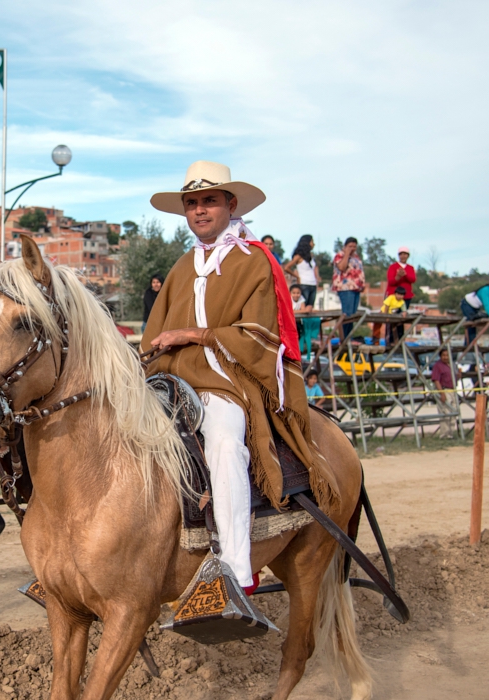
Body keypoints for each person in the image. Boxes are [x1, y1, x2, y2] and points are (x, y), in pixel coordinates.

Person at [144, 161, 336, 594]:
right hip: (169, 380)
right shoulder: (180, 267)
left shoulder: (254, 262)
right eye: (191, 203)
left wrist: (194, 335)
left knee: (226, 444)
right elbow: (154, 336)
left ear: (230, 205)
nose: (199, 210)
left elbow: (258, 335)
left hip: (225, 379)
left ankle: (235, 570)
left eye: (208, 201)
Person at [332, 237, 366, 340]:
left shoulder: (357, 257)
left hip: (356, 288)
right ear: (345, 246)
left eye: (354, 246)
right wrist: (346, 254)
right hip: (345, 288)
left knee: (353, 315)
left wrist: (362, 284)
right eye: (350, 246)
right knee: (347, 314)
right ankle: (344, 338)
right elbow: (342, 267)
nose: (352, 248)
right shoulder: (339, 256)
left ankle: (349, 337)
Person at [430, 348, 457, 439]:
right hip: (444, 390)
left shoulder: (452, 365)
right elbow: (436, 380)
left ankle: (451, 434)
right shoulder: (438, 366)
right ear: (440, 356)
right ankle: (444, 434)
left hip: (453, 390)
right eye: (443, 355)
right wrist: (442, 393)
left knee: (453, 412)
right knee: (445, 412)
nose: (445, 357)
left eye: (447, 355)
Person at [284, 235, 318, 307]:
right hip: (304, 283)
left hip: (313, 284)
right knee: (303, 307)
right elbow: (286, 267)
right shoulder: (299, 256)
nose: (313, 243)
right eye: (312, 241)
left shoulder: (310, 256)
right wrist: (297, 277)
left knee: (310, 307)